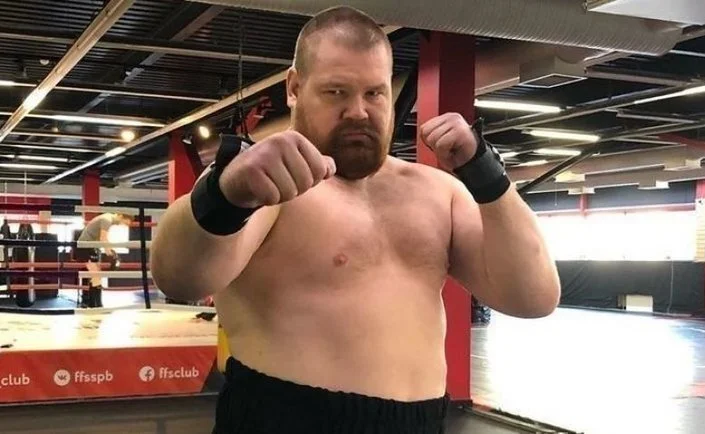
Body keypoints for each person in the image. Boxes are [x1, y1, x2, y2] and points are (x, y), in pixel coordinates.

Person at [151, 6, 560, 434]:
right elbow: (179, 277)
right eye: (336, 92)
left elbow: (533, 298)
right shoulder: (263, 184)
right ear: (294, 88)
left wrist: (487, 175)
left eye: (374, 93)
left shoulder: (438, 192)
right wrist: (226, 192)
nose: (359, 112)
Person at [74, 212, 133, 308]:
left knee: (96, 275)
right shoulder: (107, 219)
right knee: (96, 275)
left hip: (92, 247)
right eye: (124, 222)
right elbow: (103, 238)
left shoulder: (107, 219)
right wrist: (110, 254)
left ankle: (93, 303)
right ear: (121, 216)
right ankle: (96, 305)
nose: (122, 225)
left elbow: (103, 239)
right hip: (85, 247)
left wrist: (111, 252)